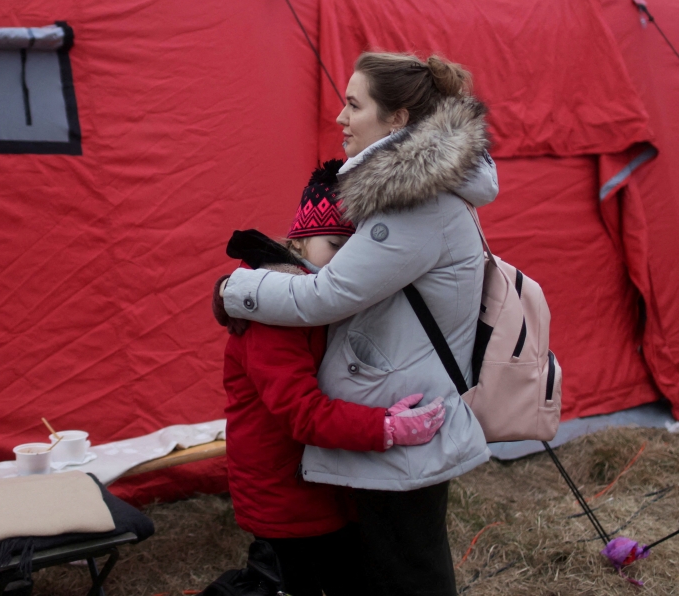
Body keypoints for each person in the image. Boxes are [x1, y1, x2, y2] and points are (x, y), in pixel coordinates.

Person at [219, 52, 498, 596]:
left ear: (396, 120)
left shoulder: (414, 206)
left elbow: (328, 294)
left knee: (407, 571)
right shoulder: (413, 196)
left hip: (399, 417)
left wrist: (237, 288)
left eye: (354, 104)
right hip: (389, 410)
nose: (341, 119)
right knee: (395, 565)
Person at [211, 159, 447, 596]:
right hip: (288, 492)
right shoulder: (274, 308)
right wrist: (385, 428)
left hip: (324, 478)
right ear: (301, 238)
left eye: (359, 251)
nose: (347, 264)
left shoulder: (332, 300)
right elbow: (301, 412)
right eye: (336, 245)